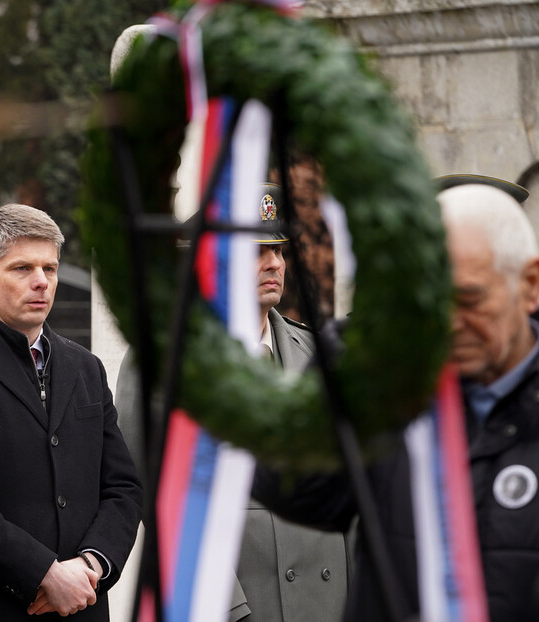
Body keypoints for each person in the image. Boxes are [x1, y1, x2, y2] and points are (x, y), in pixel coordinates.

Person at [254, 181, 539, 621]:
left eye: (470, 299)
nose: (451, 324)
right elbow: (294, 489)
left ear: (530, 285)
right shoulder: (397, 390)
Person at [114, 185, 351, 622]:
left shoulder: (319, 353)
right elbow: (160, 491)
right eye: (256, 250)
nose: (275, 263)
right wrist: (225, 606)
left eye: (279, 250)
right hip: (241, 601)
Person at [0, 204, 142, 621]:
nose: (41, 283)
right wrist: (43, 574)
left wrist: (91, 566)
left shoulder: (85, 366)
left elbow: (123, 487)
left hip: (86, 606)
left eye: (50, 269)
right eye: (22, 269)